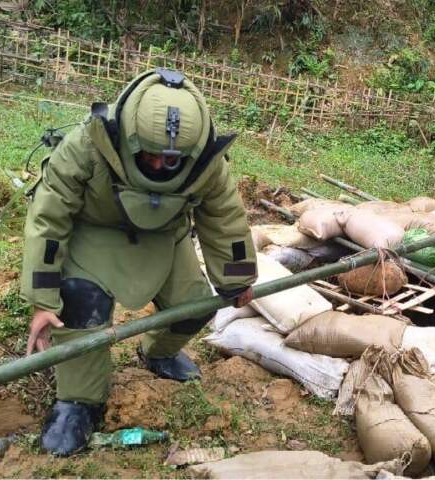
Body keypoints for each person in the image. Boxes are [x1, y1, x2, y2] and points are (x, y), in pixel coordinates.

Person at [20, 68, 257, 456]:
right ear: (128, 139)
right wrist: (42, 299)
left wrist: (238, 279)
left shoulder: (206, 161)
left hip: (165, 235)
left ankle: (159, 352)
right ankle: (78, 402)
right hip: (94, 231)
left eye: (171, 160)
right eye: (150, 155)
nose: (160, 166)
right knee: (80, 304)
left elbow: (225, 217)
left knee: (195, 305)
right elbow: (49, 217)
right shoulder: (87, 145)